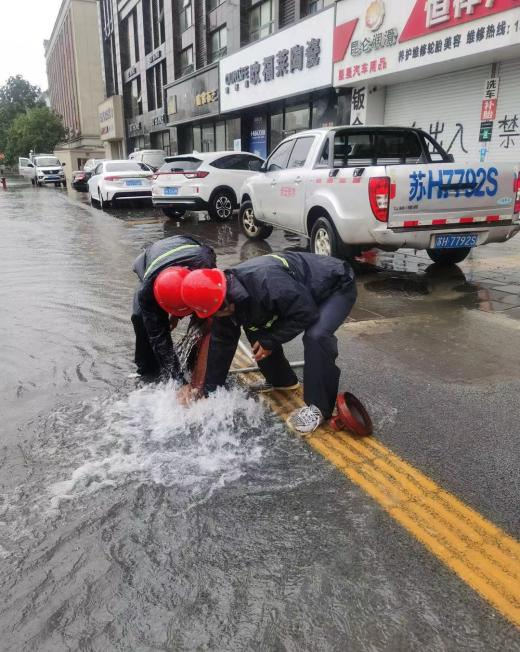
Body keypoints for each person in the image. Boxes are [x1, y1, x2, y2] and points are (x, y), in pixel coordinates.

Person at [179, 252, 357, 433]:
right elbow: (222, 344)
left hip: (335, 286)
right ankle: (283, 381)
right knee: (257, 331)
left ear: (224, 303)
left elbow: (306, 313)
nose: (217, 317)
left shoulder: (267, 282)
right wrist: (210, 393)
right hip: (301, 293)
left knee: (316, 336)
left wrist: (271, 341)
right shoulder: (226, 296)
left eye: (217, 313)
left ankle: (319, 408)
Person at [131, 235, 216, 381]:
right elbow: (159, 337)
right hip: (150, 262)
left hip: (186, 248)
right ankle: (147, 371)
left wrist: (180, 316)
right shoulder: (147, 293)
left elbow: (211, 306)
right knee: (141, 320)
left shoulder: (204, 264)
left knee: (205, 319)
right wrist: (178, 381)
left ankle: (193, 362)